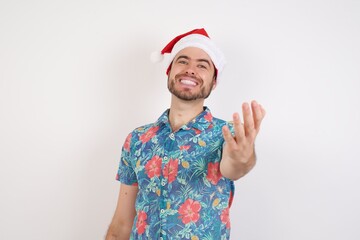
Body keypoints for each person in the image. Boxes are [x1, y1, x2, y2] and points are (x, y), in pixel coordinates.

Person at [105, 28, 266, 240]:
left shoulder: (227, 135)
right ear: (169, 72)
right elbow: (122, 223)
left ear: (214, 82)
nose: (191, 70)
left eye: (202, 65)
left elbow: (235, 167)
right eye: (182, 61)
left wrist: (243, 158)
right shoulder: (137, 139)